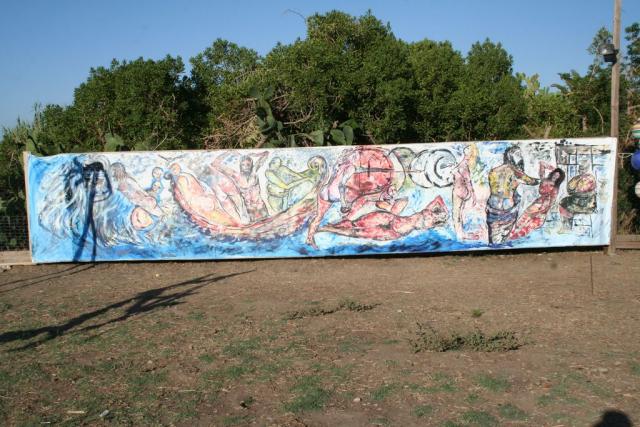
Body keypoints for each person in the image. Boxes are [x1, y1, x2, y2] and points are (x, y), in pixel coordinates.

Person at [318, 195, 448, 241]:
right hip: (391, 219)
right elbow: (438, 198)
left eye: (439, 216)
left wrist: (442, 218)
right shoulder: (428, 211)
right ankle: (332, 225)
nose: (436, 214)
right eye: (439, 213)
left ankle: (327, 229)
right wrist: (446, 211)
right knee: (356, 224)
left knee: (357, 233)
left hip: (394, 232)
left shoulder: (430, 223)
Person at [486, 146, 539, 244]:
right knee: (505, 233)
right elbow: (532, 182)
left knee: (493, 234)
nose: (521, 156)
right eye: (519, 154)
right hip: (507, 204)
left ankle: (493, 246)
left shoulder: (493, 171)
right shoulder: (517, 172)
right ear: (512, 157)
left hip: (493, 203)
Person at [508, 163, 565, 240]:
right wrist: (553, 168)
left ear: (559, 178)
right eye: (555, 174)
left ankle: (517, 236)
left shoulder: (555, 187)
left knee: (532, 220)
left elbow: (553, 200)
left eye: (557, 176)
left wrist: (545, 208)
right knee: (525, 216)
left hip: (545, 203)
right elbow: (542, 164)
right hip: (539, 201)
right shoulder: (544, 179)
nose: (555, 176)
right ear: (553, 173)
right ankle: (514, 234)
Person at [212, 152, 269, 222]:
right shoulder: (236, 176)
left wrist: (256, 154)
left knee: (268, 223)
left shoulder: (254, 172)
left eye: (248, 164)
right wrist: (229, 152)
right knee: (255, 226)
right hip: (249, 210)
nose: (246, 167)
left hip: (261, 207)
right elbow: (215, 164)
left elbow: (266, 154)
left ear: (251, 165)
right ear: (240, 166)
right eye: (243, 164)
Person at [452, 143, 480, 240]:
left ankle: (460, 233)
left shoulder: (461, 164)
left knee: (457, 212)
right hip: (461, 191)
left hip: (457, 190)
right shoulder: (464, 166)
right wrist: (473, 195)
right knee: (458, 213)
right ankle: (460, 233)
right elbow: (468, 181)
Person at [559, 160, 597, 230]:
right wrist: (574, 191)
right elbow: (569, 189)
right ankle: (567, 225)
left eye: (583, 169)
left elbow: (578, 190)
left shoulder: (589, 178)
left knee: (565, 205)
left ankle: (567, 226)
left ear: (587, 169)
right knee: (563, 201)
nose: (580, 171)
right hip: (580, 201)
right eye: (580, 169)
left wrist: (575, 191)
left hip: (586, 204)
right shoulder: (578, 178)